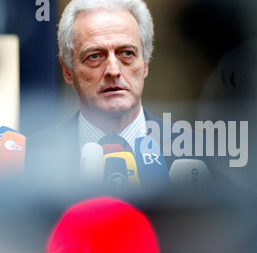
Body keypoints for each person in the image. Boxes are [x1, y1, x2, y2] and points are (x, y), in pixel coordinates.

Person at [25, 0, 189, 187]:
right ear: (67, 70)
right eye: (94, 56)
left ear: (145, 64)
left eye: (127, 53)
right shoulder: (30, 159)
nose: (113, 70)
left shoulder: (197, 151)